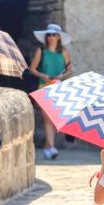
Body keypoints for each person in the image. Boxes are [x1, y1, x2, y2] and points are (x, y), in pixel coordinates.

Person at [29, 23, 73, 160]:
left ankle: (48, 147)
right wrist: (43, 76)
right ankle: (53, 148)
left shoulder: (64, 52)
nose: (51, 37)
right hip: (44, 88)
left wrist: (61, 76)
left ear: (59, 37)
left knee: (55, 120)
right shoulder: (40, 51)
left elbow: (70, 70)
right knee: (47, 119)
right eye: (49, 35)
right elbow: (32, 69)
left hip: (59, 88)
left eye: (54, 35)